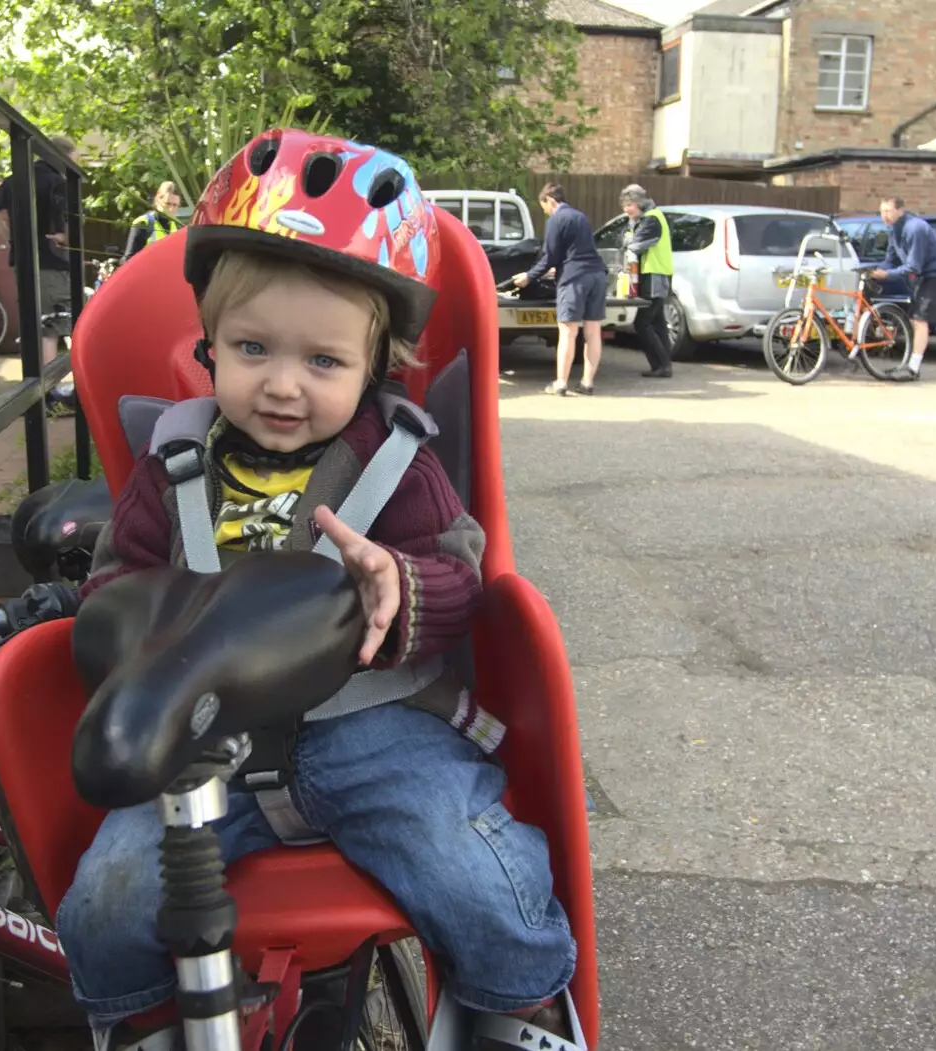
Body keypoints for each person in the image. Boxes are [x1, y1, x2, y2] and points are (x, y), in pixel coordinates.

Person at [56, 130, 579, 1049]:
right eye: (253, 348)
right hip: (203, 752)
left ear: (375, 364)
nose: (284, 385)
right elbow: (117, 581)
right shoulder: (173, 463)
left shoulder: (395, 462)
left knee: (476, 872)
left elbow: (464, 573)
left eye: (324, 362)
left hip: (375, 731)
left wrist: (404, 589)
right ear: (207, 347)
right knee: (107, 898)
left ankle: (518, 1004)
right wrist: (133, 629)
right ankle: (138, 1024)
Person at [0, 134, 82, 367]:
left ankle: (37, 387)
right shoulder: (59, 183)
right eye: (73, 161)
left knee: (35, 324)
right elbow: (71, 220)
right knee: (54, 326)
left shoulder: (16, 179)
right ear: (62, 157)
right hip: (52, 263)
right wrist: (65, 237)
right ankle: (51, 392)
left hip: (22, 264)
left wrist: (12, 239)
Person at [510, 184, 606, 396]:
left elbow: (550, 256)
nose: (544, 211)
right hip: (597, 275)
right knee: (593, 331)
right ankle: (587, 383)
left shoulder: (556, 219)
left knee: (568, 331)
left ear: (550, 201)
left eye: (543, 206)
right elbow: (574, 250)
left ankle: (561, 383)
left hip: (574, 278)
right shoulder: (581, 217)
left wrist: (529, 276)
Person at [871, 195, 936, 381]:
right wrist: (874, 270)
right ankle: (908, 363)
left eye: (889, 211)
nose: (885, 216)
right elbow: (891, 259)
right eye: (882, 212)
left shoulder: (915, 229)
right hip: (921, 278)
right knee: (913, 319)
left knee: (920, 320)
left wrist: (886, 275)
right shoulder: (894, 230)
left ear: (901, 210)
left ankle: (913, 369)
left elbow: (913, 266)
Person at [618, 184, 674, 379]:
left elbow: (633, 243)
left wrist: (629, 237)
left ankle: (662, 365)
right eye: (624, 206)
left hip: (654, 275)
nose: (626, 210)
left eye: (629, 205)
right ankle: (663, 365)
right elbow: (623, 238)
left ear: (639, 203)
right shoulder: (645, 218)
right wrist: (629, 233)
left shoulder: (652, 219)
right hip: (655, 274)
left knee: (643, 323)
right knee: (657, 322)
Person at [119, 180, 184, 263]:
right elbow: (128, 261)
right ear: (157, 200)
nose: (171, 209)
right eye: (167, 204)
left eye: (175, 205)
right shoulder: (143, 223)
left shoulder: (177, 227)